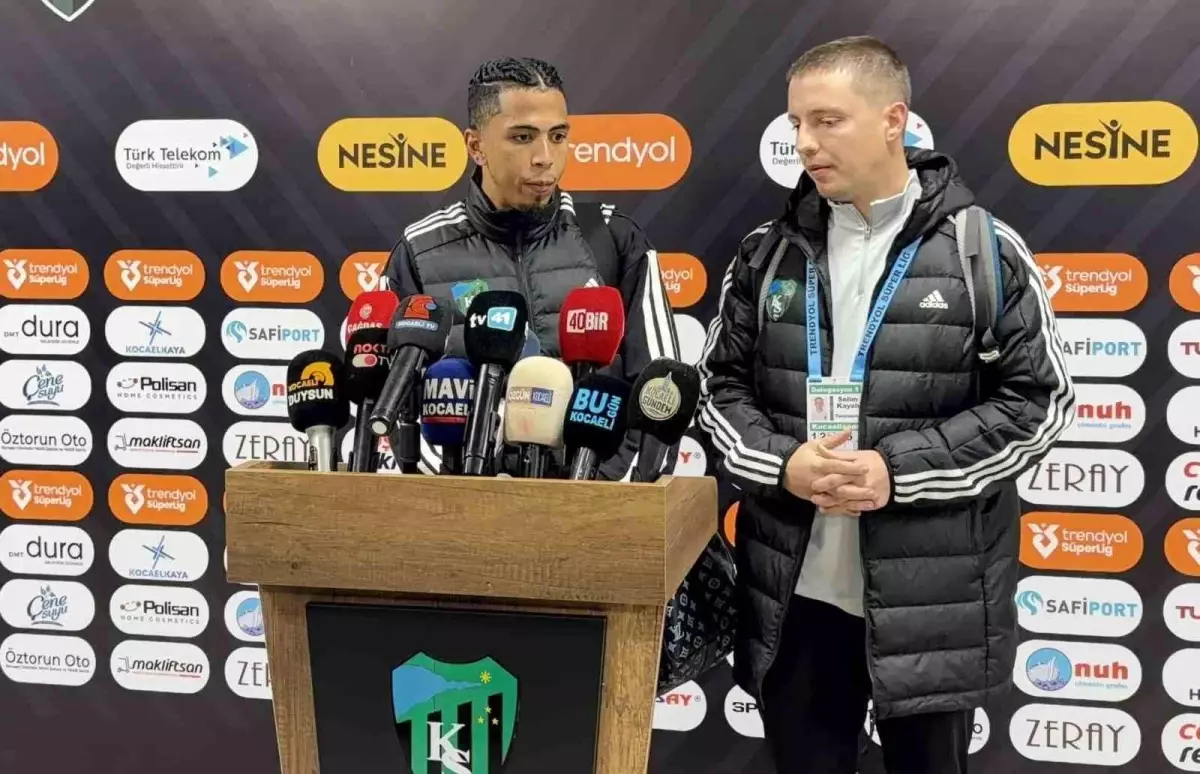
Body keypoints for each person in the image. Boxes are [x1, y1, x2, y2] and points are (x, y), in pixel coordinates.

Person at [697, 36, 1073, 774]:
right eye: (797, 123)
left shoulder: (982, 249)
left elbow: (1038, 404)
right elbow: (718, 388)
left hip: (933, 605)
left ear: (893, 119)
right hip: (794, 598)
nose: (805, 143)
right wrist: (783, 464)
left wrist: (896, 472)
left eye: (827, 121)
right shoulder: (766, 253)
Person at [379, 56, 680, 478]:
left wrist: (596, 499)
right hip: (466, 509)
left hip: (598, 508)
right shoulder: (418, 251)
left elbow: (660, 400)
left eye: (558, 136)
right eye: (522, 137)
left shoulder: (615, 239)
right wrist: (470, 496)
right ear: (476, 146)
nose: (545, 157)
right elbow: (395, 409)